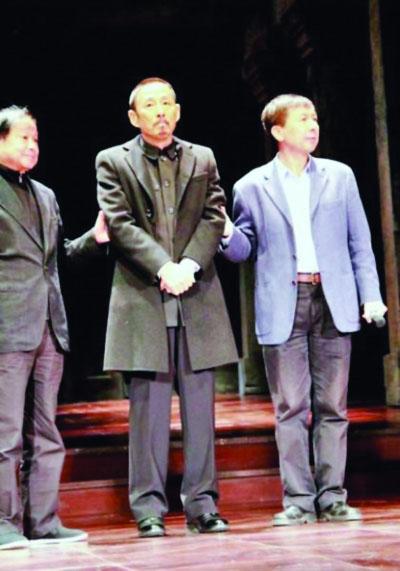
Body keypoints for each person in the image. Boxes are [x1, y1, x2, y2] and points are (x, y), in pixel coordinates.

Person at [221, 94, 387, 526]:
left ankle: (332, 498)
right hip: (284, 303)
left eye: (314, 118)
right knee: (291, 406)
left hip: (333, 299)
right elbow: (242, 250)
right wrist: (224, 230)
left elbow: (359, 242)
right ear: (278, 131)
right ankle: (298, 499)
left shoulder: (340, 176)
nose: (313, 126)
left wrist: (370, 295)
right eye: (302, 120)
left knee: (332, 405)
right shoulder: (251, 186)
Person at [96, 77, 238, 538]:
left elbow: (215, 215)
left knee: (201, 410)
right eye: (150, 105)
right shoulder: (112, 160)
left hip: (197, 295)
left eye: (166, 104)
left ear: (177, 111)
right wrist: (164, 267)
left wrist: (190, 265)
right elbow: (119, 223)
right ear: (133, 116)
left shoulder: (203, 157)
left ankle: (202, 504)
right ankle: (149, 507)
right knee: (148, 413)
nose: (160, 112)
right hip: (144, 295)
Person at [0, 105, 108, 550]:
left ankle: (43, 521)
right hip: (7, 327)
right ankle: (3, 523)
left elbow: (58, 257)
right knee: (5, 432)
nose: (32, 146)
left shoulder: (44, 194)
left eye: (36, 139)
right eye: (23, 137)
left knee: (46, 430)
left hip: (49, 327)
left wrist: (94, 239)